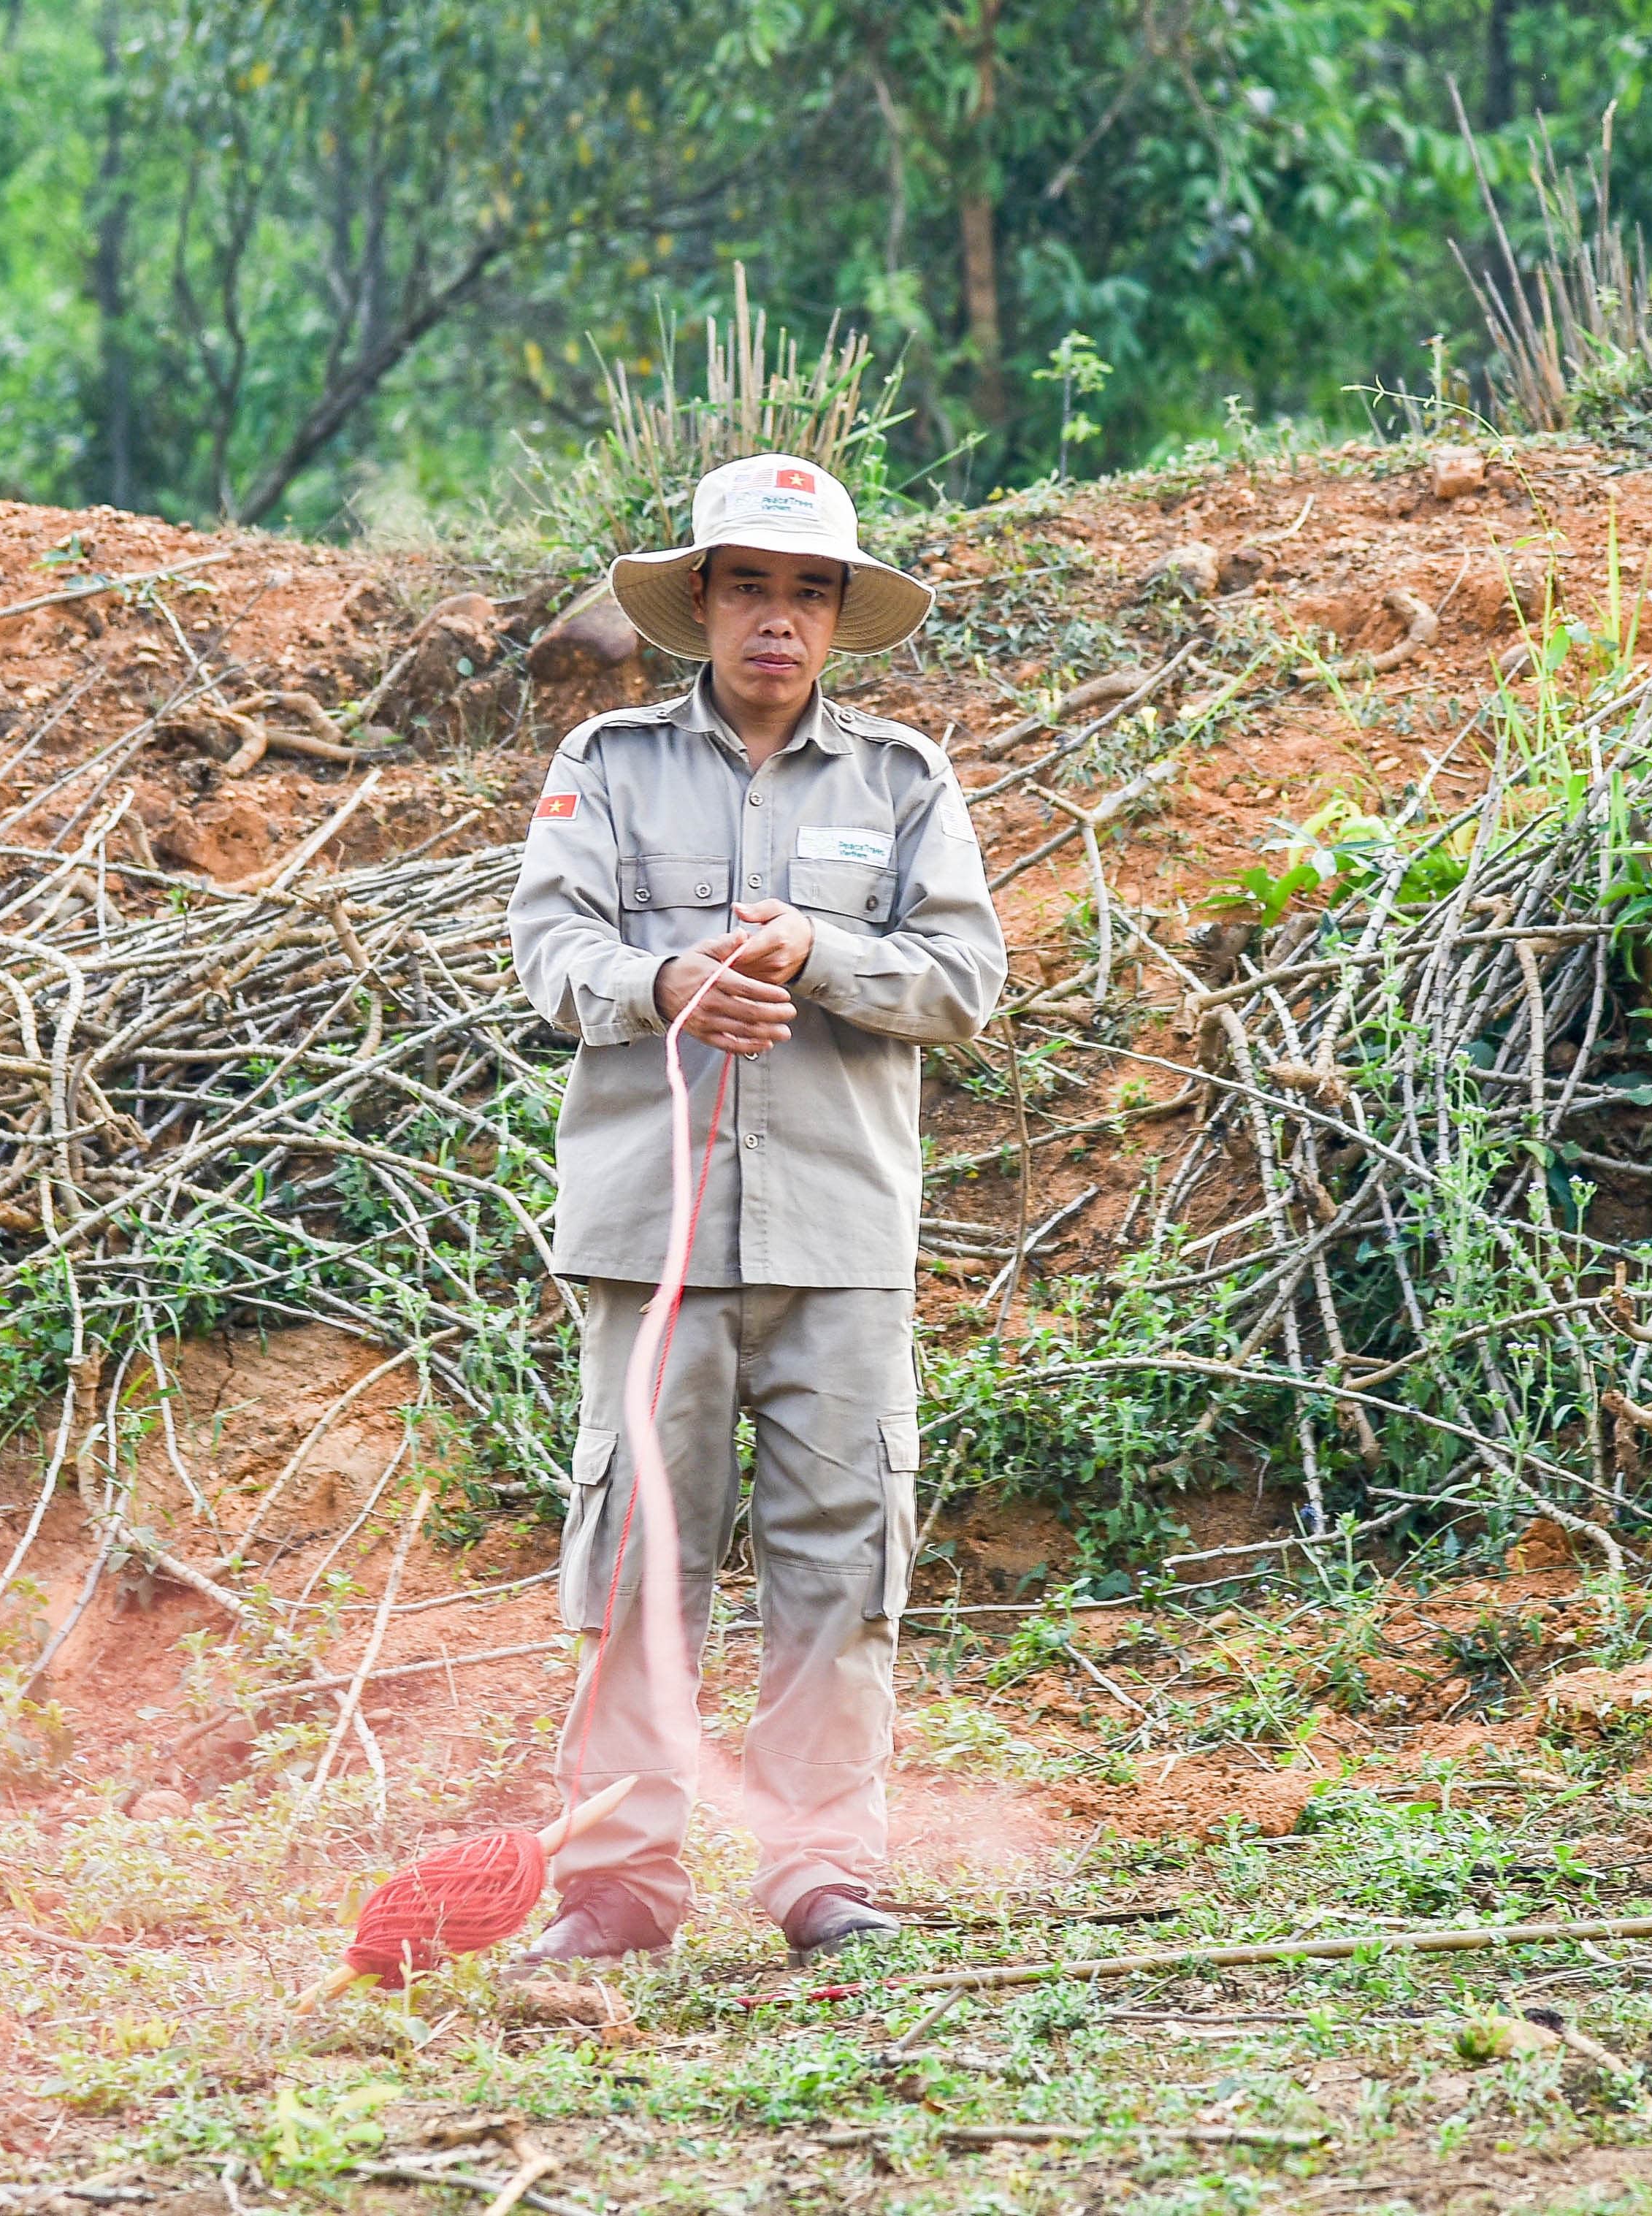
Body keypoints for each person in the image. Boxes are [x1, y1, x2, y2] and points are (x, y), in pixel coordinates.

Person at [507, 454, 1006, 1960]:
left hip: (839, 1240)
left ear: (839, 616)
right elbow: (546, 944)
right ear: (702, 605)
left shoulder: (905, 781)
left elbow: (965, 981)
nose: (774, 619)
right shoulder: (605, 763)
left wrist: (821, 958)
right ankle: (619, 1883)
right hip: (645, 1230)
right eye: (746, 586)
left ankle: (818, 1875)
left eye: (805, 591)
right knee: (635, 1553)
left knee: (838, 1557)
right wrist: (662, 982)